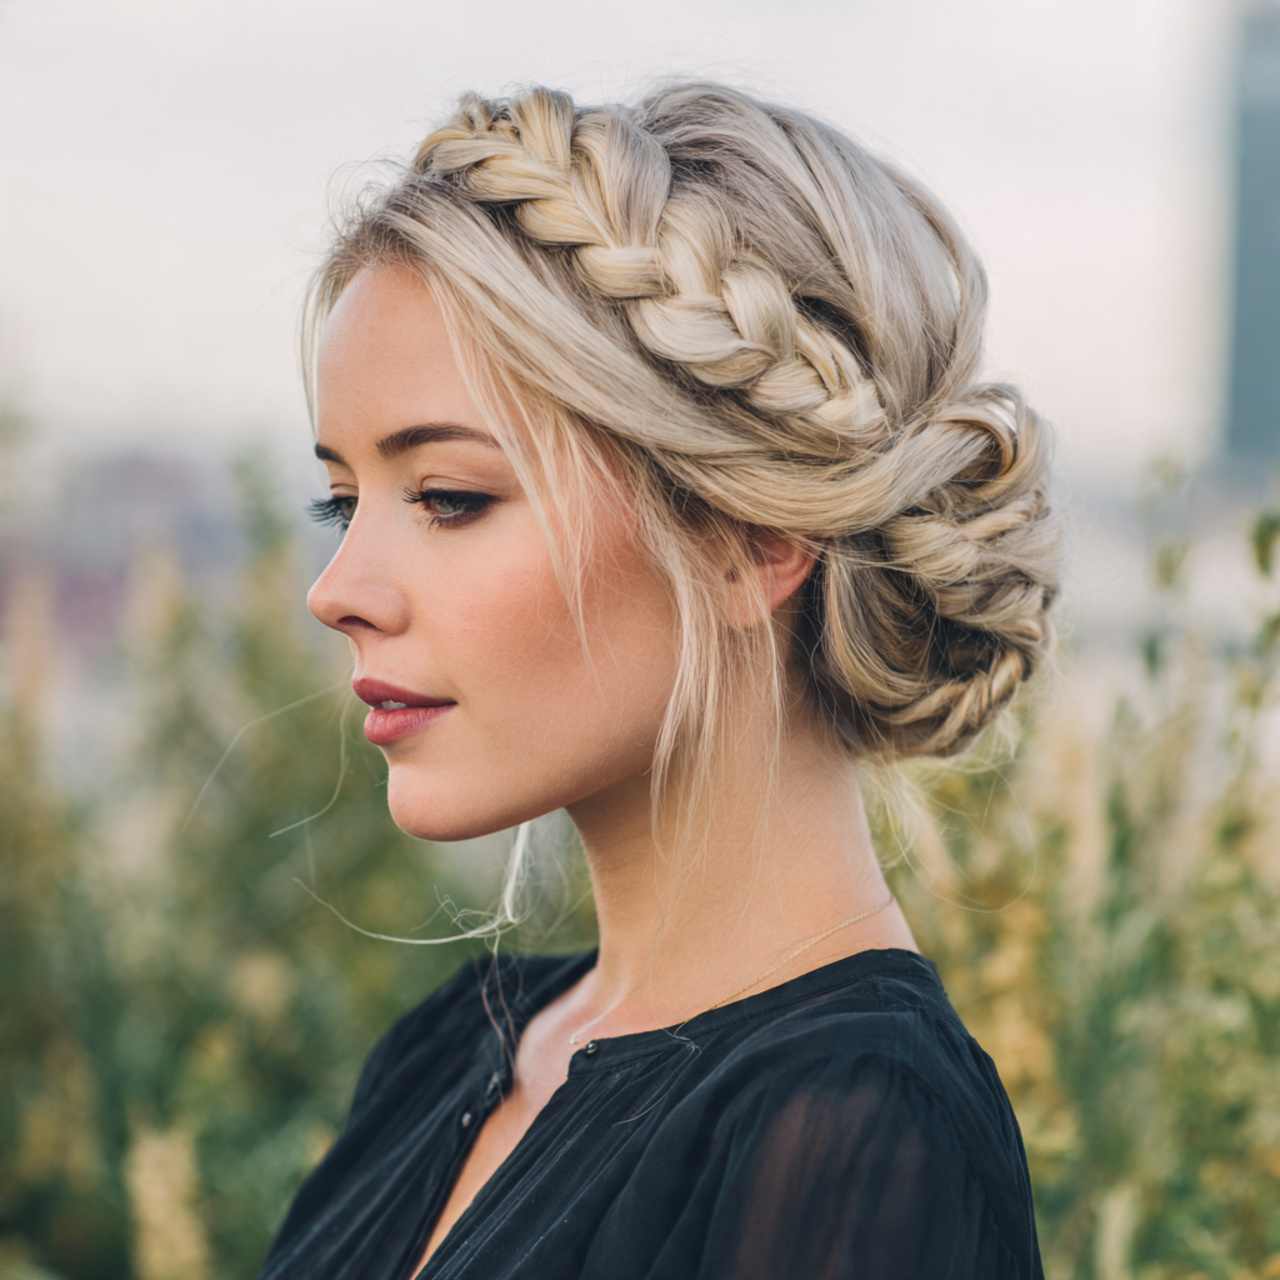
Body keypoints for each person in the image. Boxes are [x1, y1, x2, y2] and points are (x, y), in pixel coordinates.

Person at [257, 81, 1058, 1279]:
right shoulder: (452, 1051)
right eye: (342, 498)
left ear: (748, 534)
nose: (339, 587)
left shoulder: (855, 1139)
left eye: (449, 498)